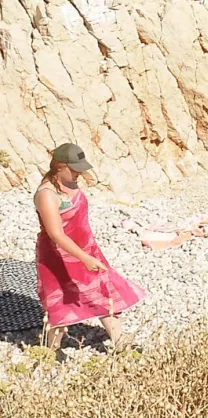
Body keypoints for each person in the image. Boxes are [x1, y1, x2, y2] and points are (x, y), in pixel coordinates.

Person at [34, 142, 147, 351]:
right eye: (75, 169)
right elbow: (56, 234)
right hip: (59, 256)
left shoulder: (69, 184)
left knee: (102, 290)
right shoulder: (47, 194)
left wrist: (89, 253)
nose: (79, 173)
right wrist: (84, 258)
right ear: (60, 167)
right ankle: (52, 350)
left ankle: (119, 341)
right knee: (61, 299)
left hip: (86, 248)